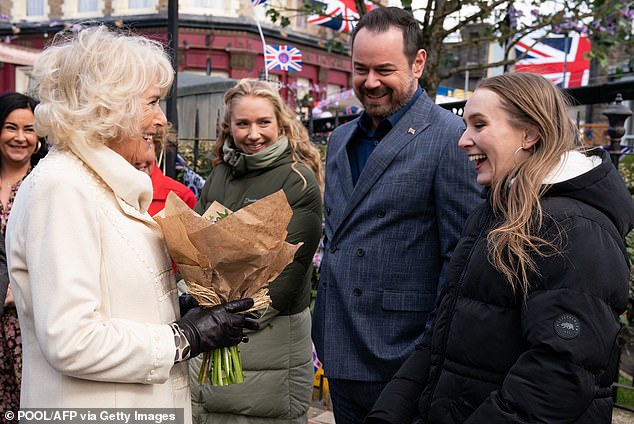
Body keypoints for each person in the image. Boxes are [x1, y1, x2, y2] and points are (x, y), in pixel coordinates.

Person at [5, 26, 256, 419]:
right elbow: (70, 338)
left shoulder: (102, 184)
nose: (160, 119)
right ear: (107, 107)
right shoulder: (61, 187)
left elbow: (114, 298)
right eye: (152, 102)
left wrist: (186, 307)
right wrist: (186, 337)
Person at [365, 72, 634, 423]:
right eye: (465, 126)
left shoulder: (575, 229)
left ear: (530, 133)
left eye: (479, 125)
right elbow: (441, 340)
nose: (463, 140)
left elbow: (558, 373)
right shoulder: (495, 211)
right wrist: (388, 412)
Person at [311, 7, 481, 423]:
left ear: (418, 63)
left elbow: (460, 260)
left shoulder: (450, 139)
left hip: (403, 362)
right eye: (360, 69)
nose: (370, 83)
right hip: (339, 351)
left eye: (384, 70)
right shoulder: (339, 139)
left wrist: (427, 355)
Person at [189, 78, 323, 423]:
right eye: (242, 123)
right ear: (228, 126)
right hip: (214, 331)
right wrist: (200, 304)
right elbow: (196, 247)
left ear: (281, 123)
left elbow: (288, 272)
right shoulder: (219, 175)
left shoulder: (297, 180)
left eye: (263, 122)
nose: (253, 134)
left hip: (268, 337)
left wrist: (228, 317)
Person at [0, 92, 47, 419]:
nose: (20, 137)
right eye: (10, 127)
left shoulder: (45, 185)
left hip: (29, 322)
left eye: (29, 129)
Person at [133, 122, 197, 216]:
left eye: (147, 146)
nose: (139, 159)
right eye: (132, 149)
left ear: (156, 147)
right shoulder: (107, 193)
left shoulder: (181, 197)